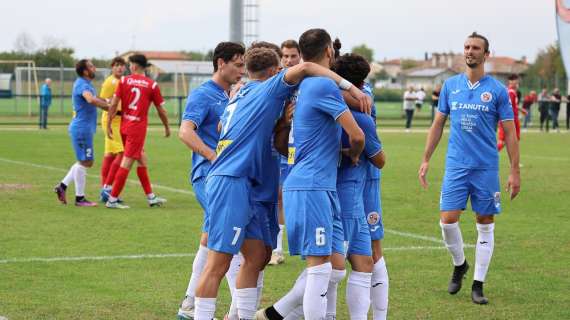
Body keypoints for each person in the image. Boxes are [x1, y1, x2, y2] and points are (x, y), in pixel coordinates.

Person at [255, 29, 369, 320]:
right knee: (320, 270)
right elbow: (356, 135)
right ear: (329, 51)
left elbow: (282, 142)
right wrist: (354, 155)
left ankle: (275, 314)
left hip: (318, 186)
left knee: (335, 270)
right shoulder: (321, 85)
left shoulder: (302, 86)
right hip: (311, 187)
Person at [418, 32, 521, 305]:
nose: (470, 51)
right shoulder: (451, 86)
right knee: (447, 220)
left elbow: (509, 133)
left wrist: (514, 171)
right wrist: (426, 158)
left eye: (476, 48)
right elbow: (438, 124)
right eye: (466, 47)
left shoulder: (497, 91)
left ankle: (478, 283)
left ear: (486, 55)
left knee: (485, 223)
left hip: (486, 167)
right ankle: (460, 264)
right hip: (456, 166)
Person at [176, 41, 246, 320]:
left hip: (229, 178)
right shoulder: (203, 95)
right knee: (231, 239)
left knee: (209, 239)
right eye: (238, 64)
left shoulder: (235, 93)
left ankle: (188, 305)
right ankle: (240, 310)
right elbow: (185, 132)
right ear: (221, 63)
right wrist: (211, 156)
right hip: (209, 176)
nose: (242, 71)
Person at [105, 54, 170, 209]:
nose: (129, 67)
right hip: (137, 129)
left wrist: (108, 123)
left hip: (124, 126)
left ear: (134, 66)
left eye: (130, 64)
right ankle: (112, 199)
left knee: (142, 158)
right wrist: (167, 126)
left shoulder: (124, 80)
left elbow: (113, 104)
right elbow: (161, 110)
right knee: (127, 161)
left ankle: (151, 197)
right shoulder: (151, 85)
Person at [53, 60, 110, 206]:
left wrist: (110, 104)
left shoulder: (86, 84)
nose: (94, 68)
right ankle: (79, 198)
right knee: (86, 162)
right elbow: (90, 99)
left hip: (84, 129)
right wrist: (109, 107)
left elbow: (97, 100)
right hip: (81, 129)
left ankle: (63, 187)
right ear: (85, 71)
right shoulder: (82, 84)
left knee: (84, 161)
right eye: (91, 66)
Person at [270, 39, 302, 266]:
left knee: (298, 197)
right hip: (283, 146)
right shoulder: (280, 83)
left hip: (305, 148)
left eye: (293, 56)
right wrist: (284, 119)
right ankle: (277, 249)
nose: (289, 60)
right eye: (286, 56)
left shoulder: (309, 81)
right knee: (279, 196)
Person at [98, 57, 127, 194]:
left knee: (109, 154)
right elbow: (102, 101)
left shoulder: (123, 81)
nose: (120, 68)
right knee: (122, 153)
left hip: (119, 120)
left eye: (122, 65)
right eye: (117, 65)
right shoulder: (110, 82)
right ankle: (108, 188)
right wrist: (111, 113)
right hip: (111, 120)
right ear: (112, 67)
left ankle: (104, 187)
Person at [497, 74, 524, 151]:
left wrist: (521, 110)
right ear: (510, 82)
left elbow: (512, 105)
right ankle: (487, 156)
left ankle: (514, 162)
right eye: (515, 81)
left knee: (514, 140)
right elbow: (506, 107)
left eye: (517, 81)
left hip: (513, 118)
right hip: (509, 119)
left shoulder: (512, 92)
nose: (517, 83)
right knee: (504, 141)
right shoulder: (510, 92)